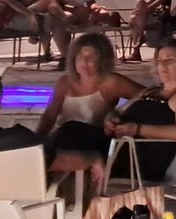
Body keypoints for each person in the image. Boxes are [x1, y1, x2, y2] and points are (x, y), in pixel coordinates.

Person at [105, 37, 176, 180]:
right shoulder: (152, 90)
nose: (163, 65)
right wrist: (111, 119)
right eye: (160, 61)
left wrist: (137, 129)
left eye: (170, 60)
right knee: (78, 135)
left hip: (142, 160)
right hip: (121, 149)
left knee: (80, 145)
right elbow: (118, 111)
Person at [34, 33, 141, 164]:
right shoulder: (64, 82)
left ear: (102, 60)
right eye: (80, 56)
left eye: (92, 57)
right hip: (63, 142)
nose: (84, 62)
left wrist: (120, 112)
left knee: (71, 128)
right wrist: (35, 141)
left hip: (94, 145)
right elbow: (49, 116)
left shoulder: (111, 82)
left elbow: (147, 95)